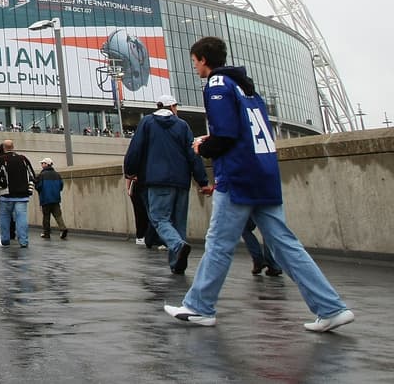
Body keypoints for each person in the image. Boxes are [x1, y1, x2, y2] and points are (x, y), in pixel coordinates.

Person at [165, 36, 355, 332]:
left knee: (218, 243)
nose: (194, 67)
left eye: (194, 61)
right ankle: (330, 307)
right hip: (264, 172)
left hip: (239, 175)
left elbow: (226, 136)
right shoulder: (246, 87)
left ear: (203, 59)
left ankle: (199, 307)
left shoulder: (217, 85)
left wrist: (203, 147)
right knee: (285, 245)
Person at [124, 94, 210, 274]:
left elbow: (136, 148)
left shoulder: (147, 123)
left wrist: (130, 171)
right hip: (181, 181)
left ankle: (177, 246)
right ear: (173, 107)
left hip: (156, 180)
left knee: (159, 218)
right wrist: (202, 181)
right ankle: (176, 265)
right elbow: (193, 155)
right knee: (179, 223)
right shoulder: (182, 125)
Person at [0, 139, 38, 248]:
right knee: (21, 218)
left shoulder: (0, 159)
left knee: (4, 218)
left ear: (4, 148)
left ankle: (5, 240)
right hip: (22, 195)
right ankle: (23, 241)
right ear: (13, 147)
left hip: (6, 194)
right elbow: (32, 175)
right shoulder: (23, 158)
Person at [34, 158, 68, 240]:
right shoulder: (57, 174)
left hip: (46, 199)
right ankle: (63, 228)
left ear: (46, 164)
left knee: (46, 216)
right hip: (56, 198)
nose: (41, 165)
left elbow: (38, 186)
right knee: (58, 215)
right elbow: (61, 186)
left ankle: (46, 233)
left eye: (42, 163)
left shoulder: (42, 175)